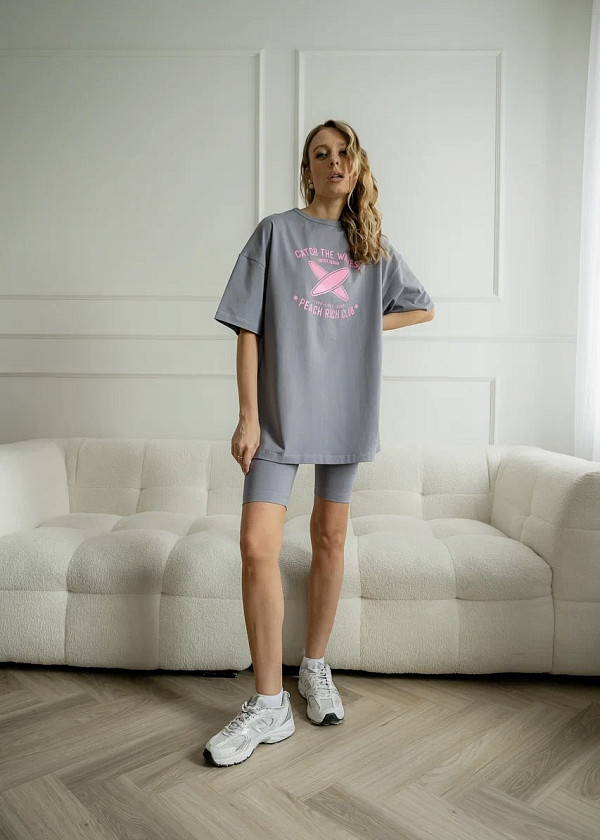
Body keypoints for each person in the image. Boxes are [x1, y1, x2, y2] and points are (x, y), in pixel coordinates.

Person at [204, 119, 435, 766]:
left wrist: (363, 325)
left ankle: (313, 666)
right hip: (278, 412)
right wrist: (248, 416)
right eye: (320, 154)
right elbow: (246, 327)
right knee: (257, 546)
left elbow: (423, 305)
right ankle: (268, 704)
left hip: (345, 407)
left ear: (357, 166)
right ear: (306, 169)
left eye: (343, 153)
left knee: (330, 538)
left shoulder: (372, 247)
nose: (334, 162)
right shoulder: (276, 234)